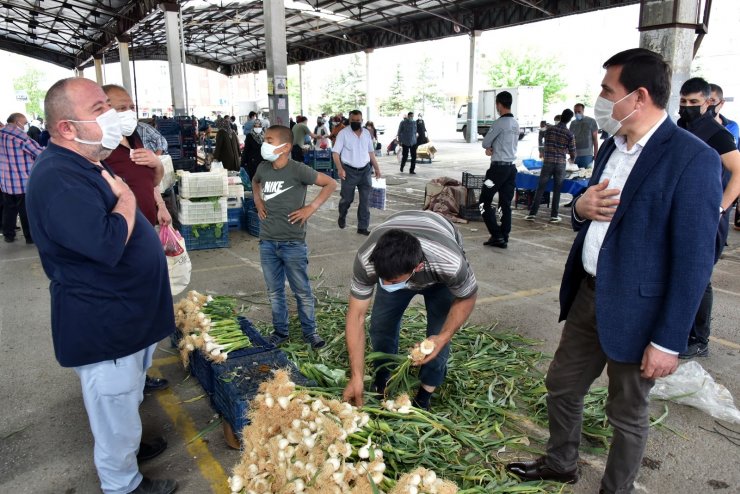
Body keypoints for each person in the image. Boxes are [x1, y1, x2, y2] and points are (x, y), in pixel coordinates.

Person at [505, 48, 722, 494]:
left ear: (638, 96)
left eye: (608, 90)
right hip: (590, 293)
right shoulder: (612, 146)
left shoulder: (690, 158)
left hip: (640, 311)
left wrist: (667, 340)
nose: (601, 98)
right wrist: (580, 209)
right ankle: (562, 462)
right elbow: (592, 209)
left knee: (626, 411)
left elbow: (695, 260)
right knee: (562, 386)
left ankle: (615, 489)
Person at [26, 77, 178, 494]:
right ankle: (123, 483)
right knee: (113, 410)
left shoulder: (89, 159)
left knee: (125, 402)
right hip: (104, 320)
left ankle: (127, 450)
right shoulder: (58, 177)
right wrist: (128, 200)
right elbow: (107, 241)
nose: (112, 116)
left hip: (127, 313)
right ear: (67, 128)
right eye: (99, 109)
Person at [341, 211, 478, 410]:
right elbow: (356, 316)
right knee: (380, 327)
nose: (387, 284)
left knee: (437, 336)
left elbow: (467, 296)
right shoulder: (367, 259)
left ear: (418, 267)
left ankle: (424, 395)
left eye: (394, 281)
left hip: (439, 274)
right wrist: (356, 376)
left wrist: (444, 337)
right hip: (398, 260)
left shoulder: (450, 263)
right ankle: (383, 379)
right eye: (383, 279)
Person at [102, 85, 172, 394]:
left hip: (148, 235)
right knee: (128, 314)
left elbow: (151, 180)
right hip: (124, 242)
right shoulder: (101, 150)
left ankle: (140, 375)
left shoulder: (135, 138)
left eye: (130, 105)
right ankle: (128, 384)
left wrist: (160, 204)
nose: (128, 112)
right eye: (119, 107)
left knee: (149, 311)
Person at [252, 125, 337, 349]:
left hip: (293, 243)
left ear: (285, 147)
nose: (264, 143)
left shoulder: (298, 170)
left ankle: (311, 332)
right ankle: (281, 332)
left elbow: (331, 183)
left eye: (269, 140)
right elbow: (254, 182)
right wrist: (258, 201)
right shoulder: (263, 167)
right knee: (275, 292)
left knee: (302, 291)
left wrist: (311, 207)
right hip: (268, 242)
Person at [676, 77, 740, 359]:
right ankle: (678, 330)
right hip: (682, 213)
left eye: (694, 103)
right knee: (679, 273)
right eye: (683, 102)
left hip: (708, 218)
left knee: (700, 278)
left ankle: (699, 339)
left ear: (708, 103)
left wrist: (719, 209)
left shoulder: (718, 134)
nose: (687, 107)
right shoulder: (681, 127)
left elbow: (738, 173)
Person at [333, 109, 381, 236]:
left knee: (365, 201)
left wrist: (376, 168)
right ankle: (342, 215)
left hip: (365, 171)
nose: (355, 122)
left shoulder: (366, 133)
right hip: (349, 172)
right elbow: (335, 153)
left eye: (357, 121)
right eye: (352, 121)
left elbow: (371, 152)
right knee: (347, 199)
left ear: (362, 120)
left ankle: (362, 227)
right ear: (349, 120)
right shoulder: (343, 134)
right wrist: (340, 168)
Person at [479, 91, 519, 248]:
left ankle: (496, 235)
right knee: (505, 203)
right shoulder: (515, 123)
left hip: (496, 171)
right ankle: (504, 235)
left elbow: (485, 142)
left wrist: (489, 148)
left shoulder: (499, 123)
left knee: (483, 202)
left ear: (499, 105)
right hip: (511, 169)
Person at [525, 109, 576, 223]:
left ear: (561, 116)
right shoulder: (569, 134)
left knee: (540, 188)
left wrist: (543, 148)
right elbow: (573, 151)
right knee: (557, 190)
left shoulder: (550, 129)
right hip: (560, 164)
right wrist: (571, 158)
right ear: (569, 120)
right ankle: (554, 216)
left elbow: (541, 135)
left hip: (548, 162)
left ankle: (532, 214)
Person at [0, 112, 43, 243]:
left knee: (9, 209)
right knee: (25, 211)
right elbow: (39, 152)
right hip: (22, 182)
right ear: (17, 121)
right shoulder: (20, 136)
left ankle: (8, 235)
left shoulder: (1, 134)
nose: (24, 126)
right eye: (24, 123)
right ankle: (30, 237)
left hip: (5, 181)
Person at [708, 83, 740, 232]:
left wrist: (721, 208)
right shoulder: (686, 128)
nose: (708, 105)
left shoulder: (729, 129)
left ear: (721, 103)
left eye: (712, 101)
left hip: (721, 192)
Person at [569, 103, 599, 169]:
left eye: (579, 111)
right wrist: (570, 154)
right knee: (575, 175)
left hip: (587, 155)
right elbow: (570, 139)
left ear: (583, 111)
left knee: (585, 175)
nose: (577, 113)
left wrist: (596, 153)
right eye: (575, 112)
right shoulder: (572, 123)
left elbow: (595, 139)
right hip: (575, 155)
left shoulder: (591, 121)